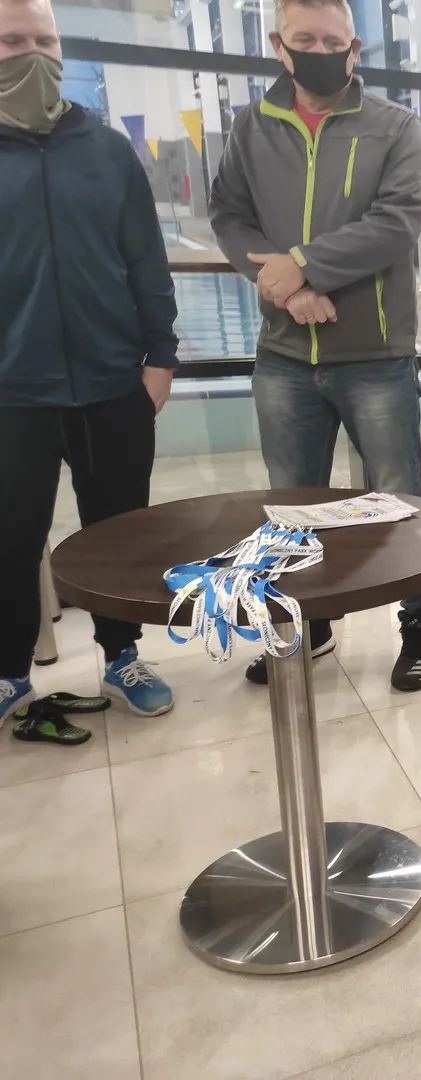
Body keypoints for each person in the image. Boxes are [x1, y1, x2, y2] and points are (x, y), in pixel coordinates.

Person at [210, 0, 421, 692]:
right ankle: (307, 624)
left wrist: (305, 264)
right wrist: (286, 289)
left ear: (354, 48)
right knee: (290, 507)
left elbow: (396, 223)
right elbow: (229, 215)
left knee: (399, 498)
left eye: (331, 40)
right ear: (278, 45)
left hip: (376, 356)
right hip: (284, 356)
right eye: (303, 39)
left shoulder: (395, 127)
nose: (318, 51)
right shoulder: (252, 127)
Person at [0, 0, 178, 737]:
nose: (33, 53)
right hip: (13, 393)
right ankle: (10, 671)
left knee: (120, 535)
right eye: (13, 40)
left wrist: (160, 357)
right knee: (9, 539)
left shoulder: (105, 150)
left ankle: (122, 656)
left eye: (45, 39)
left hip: (112, 383)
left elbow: (146, 261)